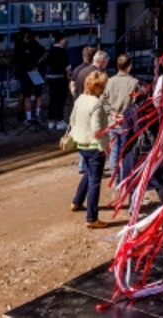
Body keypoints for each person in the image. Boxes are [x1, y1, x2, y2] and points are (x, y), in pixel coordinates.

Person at [69, 69, 110, 228]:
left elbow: (72, 119)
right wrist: (104, 145)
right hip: (94, 145)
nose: (104, 89)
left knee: (89, 173)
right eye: (103, 86)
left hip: (82, 143)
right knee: (95, 181)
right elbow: (97, 129)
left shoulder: (80, 99)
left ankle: (77, 201)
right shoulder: (96, 104)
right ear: (97, 87)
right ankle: (92, 218)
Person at [103, 53, 142, 183]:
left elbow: (103, 100)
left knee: (114, 151)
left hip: (113, 121)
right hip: (126, 121)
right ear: (129, 66)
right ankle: (125, 178)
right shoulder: (134, 82)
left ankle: (116, 179)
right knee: (126, 151)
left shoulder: (109, 81)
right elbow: (137, 103)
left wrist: (111, 113)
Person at [14, 28, 46, 122]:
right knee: (38, 94)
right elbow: (43, 58)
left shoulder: (20, 46)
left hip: (24, 73)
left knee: (25, 95)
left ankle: (26, 116)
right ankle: (37, 114)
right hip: (36, 73)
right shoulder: (38, 47)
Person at [44, 31, 72, 130]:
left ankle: (51, 120)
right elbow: (67, 66)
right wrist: (69, 76)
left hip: (51, 77)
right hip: (61, 77)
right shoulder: (63, 51)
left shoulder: (50, 50)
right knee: (60, 100)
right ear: (61, 40)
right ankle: (60, 120)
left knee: (52, 99)